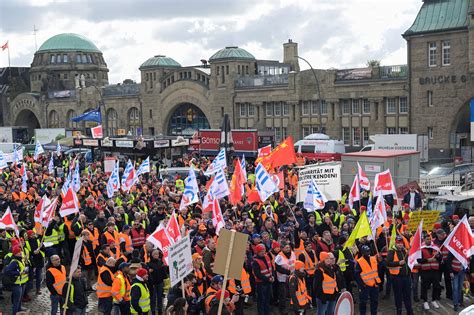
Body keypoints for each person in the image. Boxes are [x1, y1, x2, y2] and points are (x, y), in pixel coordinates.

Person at [386, 236, 414, 315]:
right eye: (398, 243)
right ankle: (399, 311)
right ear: (395, 242)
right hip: (397, 278)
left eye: (401, 243)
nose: (400, 244)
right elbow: (387, 263)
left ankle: (410, 311)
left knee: (407, 295)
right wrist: (398, 263)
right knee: (398, 296)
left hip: (407, 277)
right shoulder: (392, 251)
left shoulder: (405, 250)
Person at [417, 233, 441, 311]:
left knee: (436, 286)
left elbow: (440, 258)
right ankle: (425, 301)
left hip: (435, 270)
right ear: (424, 240)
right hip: (425, 270)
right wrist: (427, 260)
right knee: (425, 286)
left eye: (430, 239)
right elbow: (419, 260)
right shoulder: (421, 248)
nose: (429, 241)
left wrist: (437, 257)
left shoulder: (435, 248)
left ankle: (433, 300)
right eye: (427, 239)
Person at [355, 245, 380, 315]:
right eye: (366, 252)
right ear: (363, 253)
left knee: (374, 302)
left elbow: (377, 270)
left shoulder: (373, 259)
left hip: (374, 285)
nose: (368, 253)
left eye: (368, 251)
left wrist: (378, 282)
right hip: (365, 286)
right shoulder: (359, 262)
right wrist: (362, 285)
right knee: (363, 302)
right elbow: (357, 275)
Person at [4, 246, 28, 314]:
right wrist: (19, 273)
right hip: (17, 284)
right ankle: (15, 313)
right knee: (16, 301)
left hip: (22, 282)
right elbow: (7, 271)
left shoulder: (21, 259)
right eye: (18, 252)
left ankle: (19, 310)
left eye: (20, 251)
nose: (20, 253)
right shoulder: (14, 262)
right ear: (15, 254)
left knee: (20, 299)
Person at [252, 243, 274, 315]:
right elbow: (258, 274)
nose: (263, 252)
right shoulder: (255, 261)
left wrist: (272, 276)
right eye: (261, 251)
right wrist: (268, 279)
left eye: (263, 250)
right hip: (261, 284)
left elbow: (271, 267)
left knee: (267, 300)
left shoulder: (267, 256)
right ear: (258, 252)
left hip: (268, 282)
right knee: (261, 300)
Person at [274, 242, 296, 314]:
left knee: (293, 293)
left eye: (289, 247)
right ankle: (282, 309)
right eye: (286, 248)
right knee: (283, 295)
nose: (288, 249)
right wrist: (288, 272)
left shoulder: (292, 253)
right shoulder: (279, 256)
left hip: (292, 277)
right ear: (282, 248)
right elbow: (277, 268)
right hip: (282, 279)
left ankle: (294, 306)